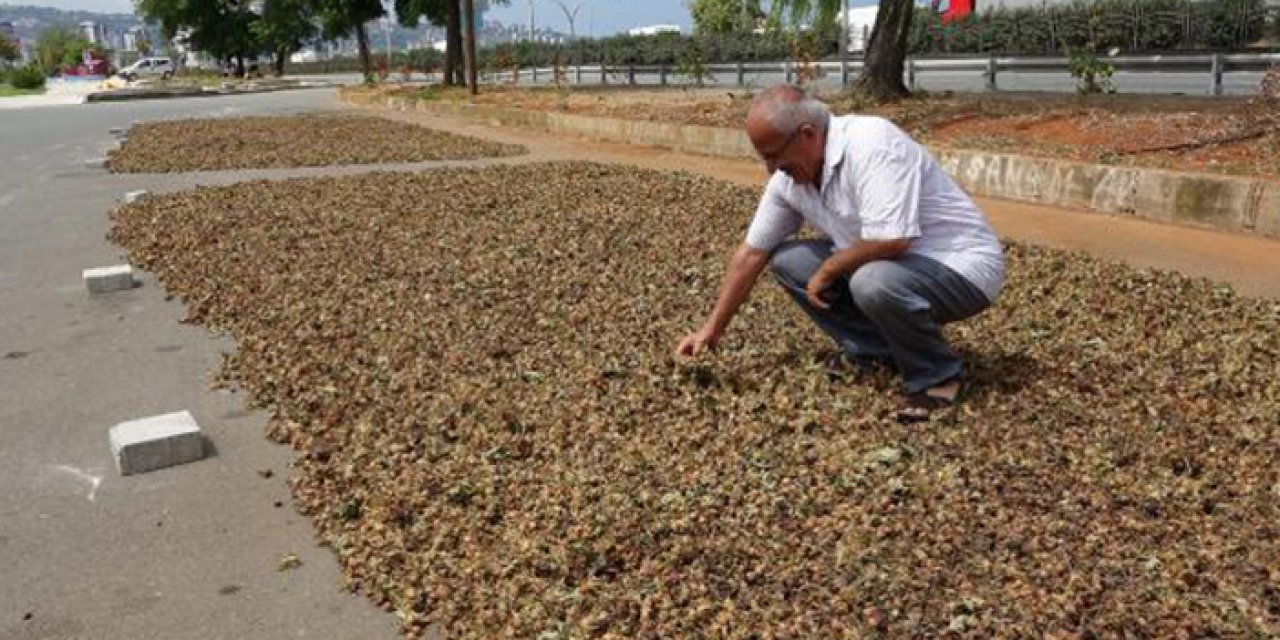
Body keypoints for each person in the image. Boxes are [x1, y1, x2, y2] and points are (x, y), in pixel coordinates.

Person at [675, 84, 1005, 422]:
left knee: (871, 281)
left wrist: (831, 268)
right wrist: (711, 331)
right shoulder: (790, 182)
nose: (771, 169)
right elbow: (751, 253)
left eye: (775, 155)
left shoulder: (871, 142)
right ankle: (879, 353)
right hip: (889, 267)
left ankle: (938, 376)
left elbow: (894, 239)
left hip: (960, 265)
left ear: (807, 134)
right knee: (792, 261)